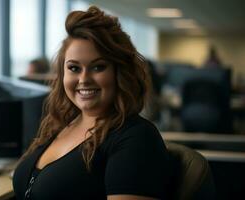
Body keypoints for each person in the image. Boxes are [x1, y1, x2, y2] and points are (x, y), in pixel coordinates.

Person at [13, 6, 172, 200]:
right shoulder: (62, 124)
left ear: (119, 72)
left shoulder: (136, 137)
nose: (84, 79)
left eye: (98, 67)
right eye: (74, 68)